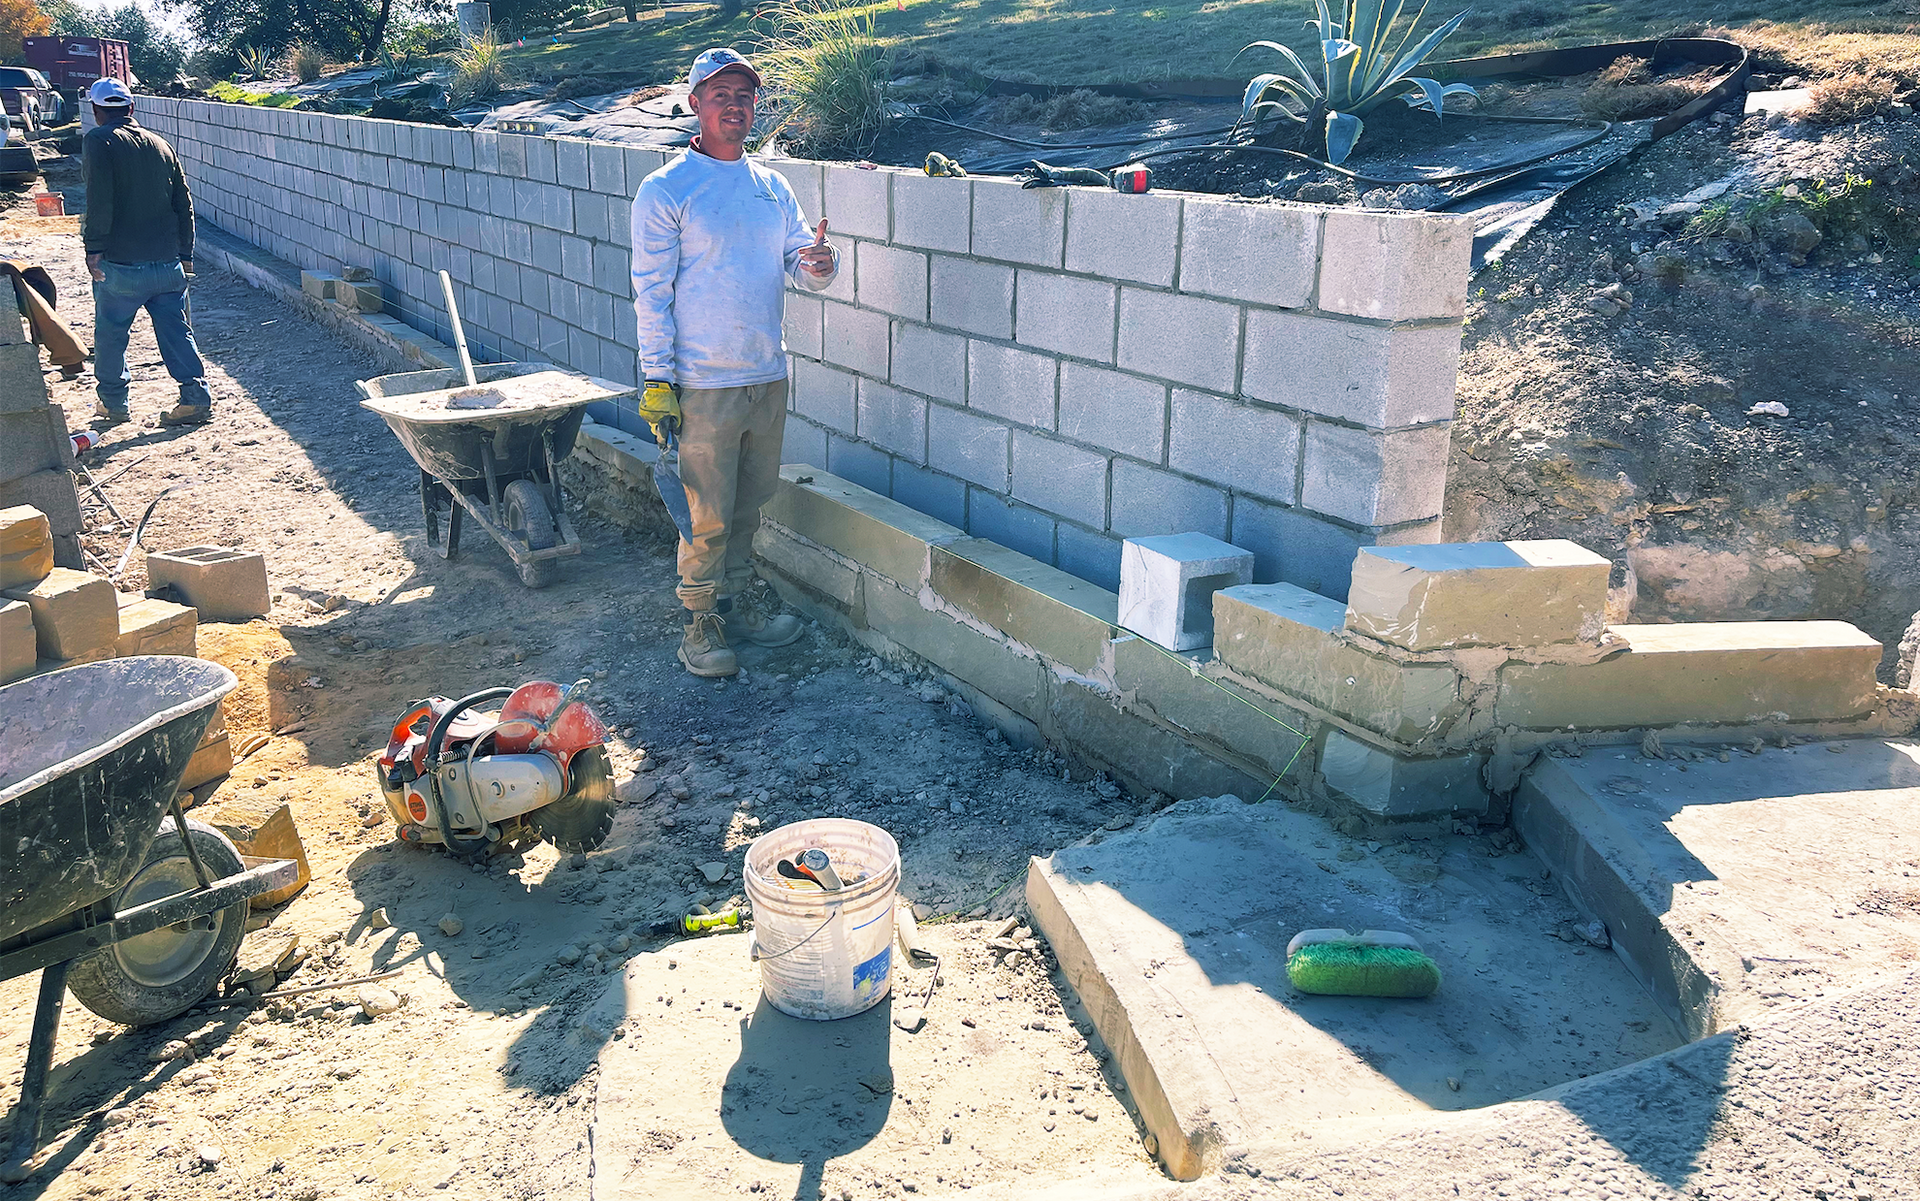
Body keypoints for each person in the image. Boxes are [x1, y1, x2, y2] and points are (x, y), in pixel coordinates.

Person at [630, 47, 839, 678]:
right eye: (720, 94)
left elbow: (801, 260)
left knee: (750, 504)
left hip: (764, 375)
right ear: (694, 104)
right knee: (706, 515)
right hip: (701, 384)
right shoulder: (667, 189)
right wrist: (658, 377)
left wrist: (819, 266)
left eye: (744, 95)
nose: (735, 105)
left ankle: (739, 603)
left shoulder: (771, 187)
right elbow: (651, 289)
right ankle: (699, 625)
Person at [79, 76, 214, 427]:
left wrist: (93, 249)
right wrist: (186, 255)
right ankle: (195, 397)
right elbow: (183, 203)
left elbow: (99, 199)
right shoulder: (160, 144)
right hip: (168, 266)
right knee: (176, 330)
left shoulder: (98, 141)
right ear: (131, 108)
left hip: (122, 265)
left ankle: (113, 404)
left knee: (110, 333)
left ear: (96, 111)